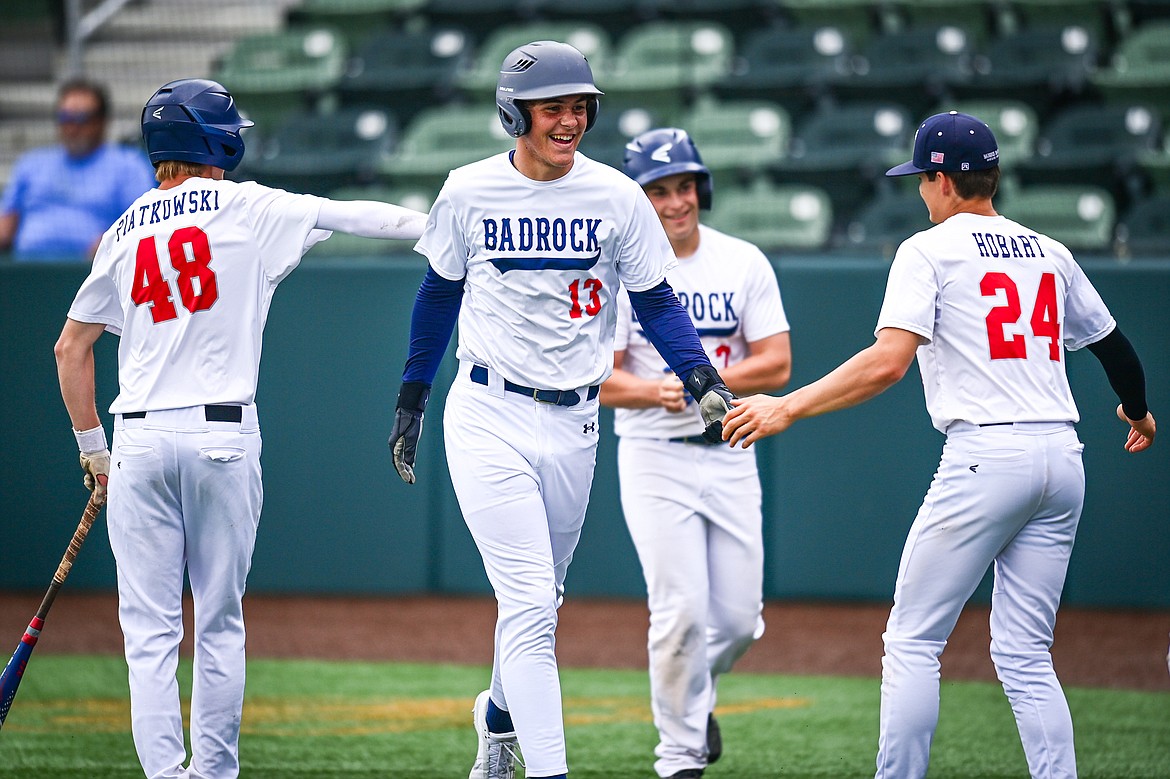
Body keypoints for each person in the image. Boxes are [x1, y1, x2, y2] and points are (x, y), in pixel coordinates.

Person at [722, 111, 1156, 779]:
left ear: (943, 181)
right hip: (1062, 458)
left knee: (913, 639)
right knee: (1025, 652)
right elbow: (1116, 347)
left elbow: (887, 362)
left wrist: (788, 405)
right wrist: (1138, 409)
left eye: (923, 178)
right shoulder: (1049, 249)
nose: (921, 192)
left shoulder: (927, 250)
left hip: (987, 456)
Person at [54, 78, 427, 779]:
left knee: (149, 635)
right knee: (218, 623)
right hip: (220, 435)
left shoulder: (124, 226)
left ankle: (167, 775)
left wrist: (94, 453)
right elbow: (360, 218)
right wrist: (444, 225)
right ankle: (215, 774)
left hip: (134, 438)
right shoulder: (249, 204)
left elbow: (69, 349)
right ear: (213, 140)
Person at [385, 41, 736, 779]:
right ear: (516, 113)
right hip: (487, 411)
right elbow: (437, 293)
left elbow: (656, 302)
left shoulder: (615, 195)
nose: (571, 119)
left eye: (580, 106)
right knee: (529, 603)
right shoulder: (469, 189)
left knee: (542, 600)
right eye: (555, 107)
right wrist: (414, 391)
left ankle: (499, 719)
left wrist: (700, 374)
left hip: (576, 421)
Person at [600, 127, 792, 779]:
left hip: (730, 446)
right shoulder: (618, 271)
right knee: (680, 608)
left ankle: (693, 694)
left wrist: (713, 378)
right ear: (638, 200)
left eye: (684, 185)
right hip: (654, 452)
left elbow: (778, 359)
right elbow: (599, 377)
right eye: (658, 190)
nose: (676, 201)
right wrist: (656, 389)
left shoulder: (742, 260)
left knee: (739, 619)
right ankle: (678, 755)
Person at [0, 78, 156, 261]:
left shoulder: (128, 166)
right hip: (25, 274)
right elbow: (6, 223)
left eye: (81, 119)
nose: (72, 127)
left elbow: (141, 224)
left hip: (94, 274)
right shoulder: (32, 163)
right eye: (65, 118)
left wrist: (109, 245)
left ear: (101, 122)